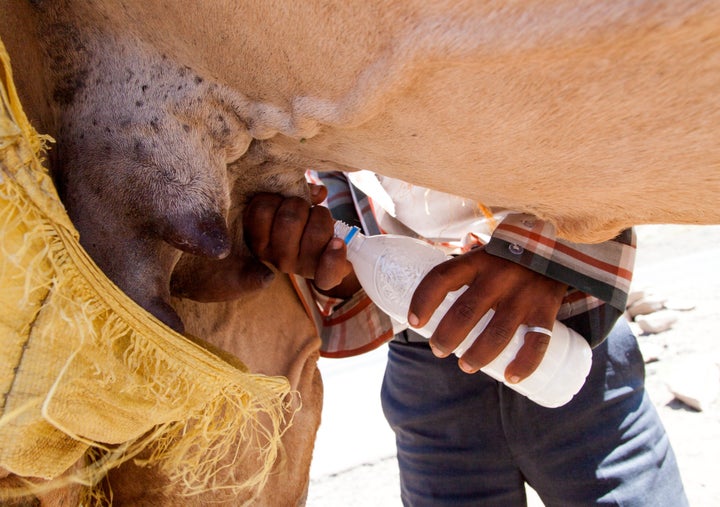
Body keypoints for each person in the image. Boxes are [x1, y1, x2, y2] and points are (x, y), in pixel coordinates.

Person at [242, 171, 688, 506]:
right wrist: (336, 268)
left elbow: (603, 125)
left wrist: (544, 251)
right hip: (427, 383)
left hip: (566, 344)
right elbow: (341, 213)